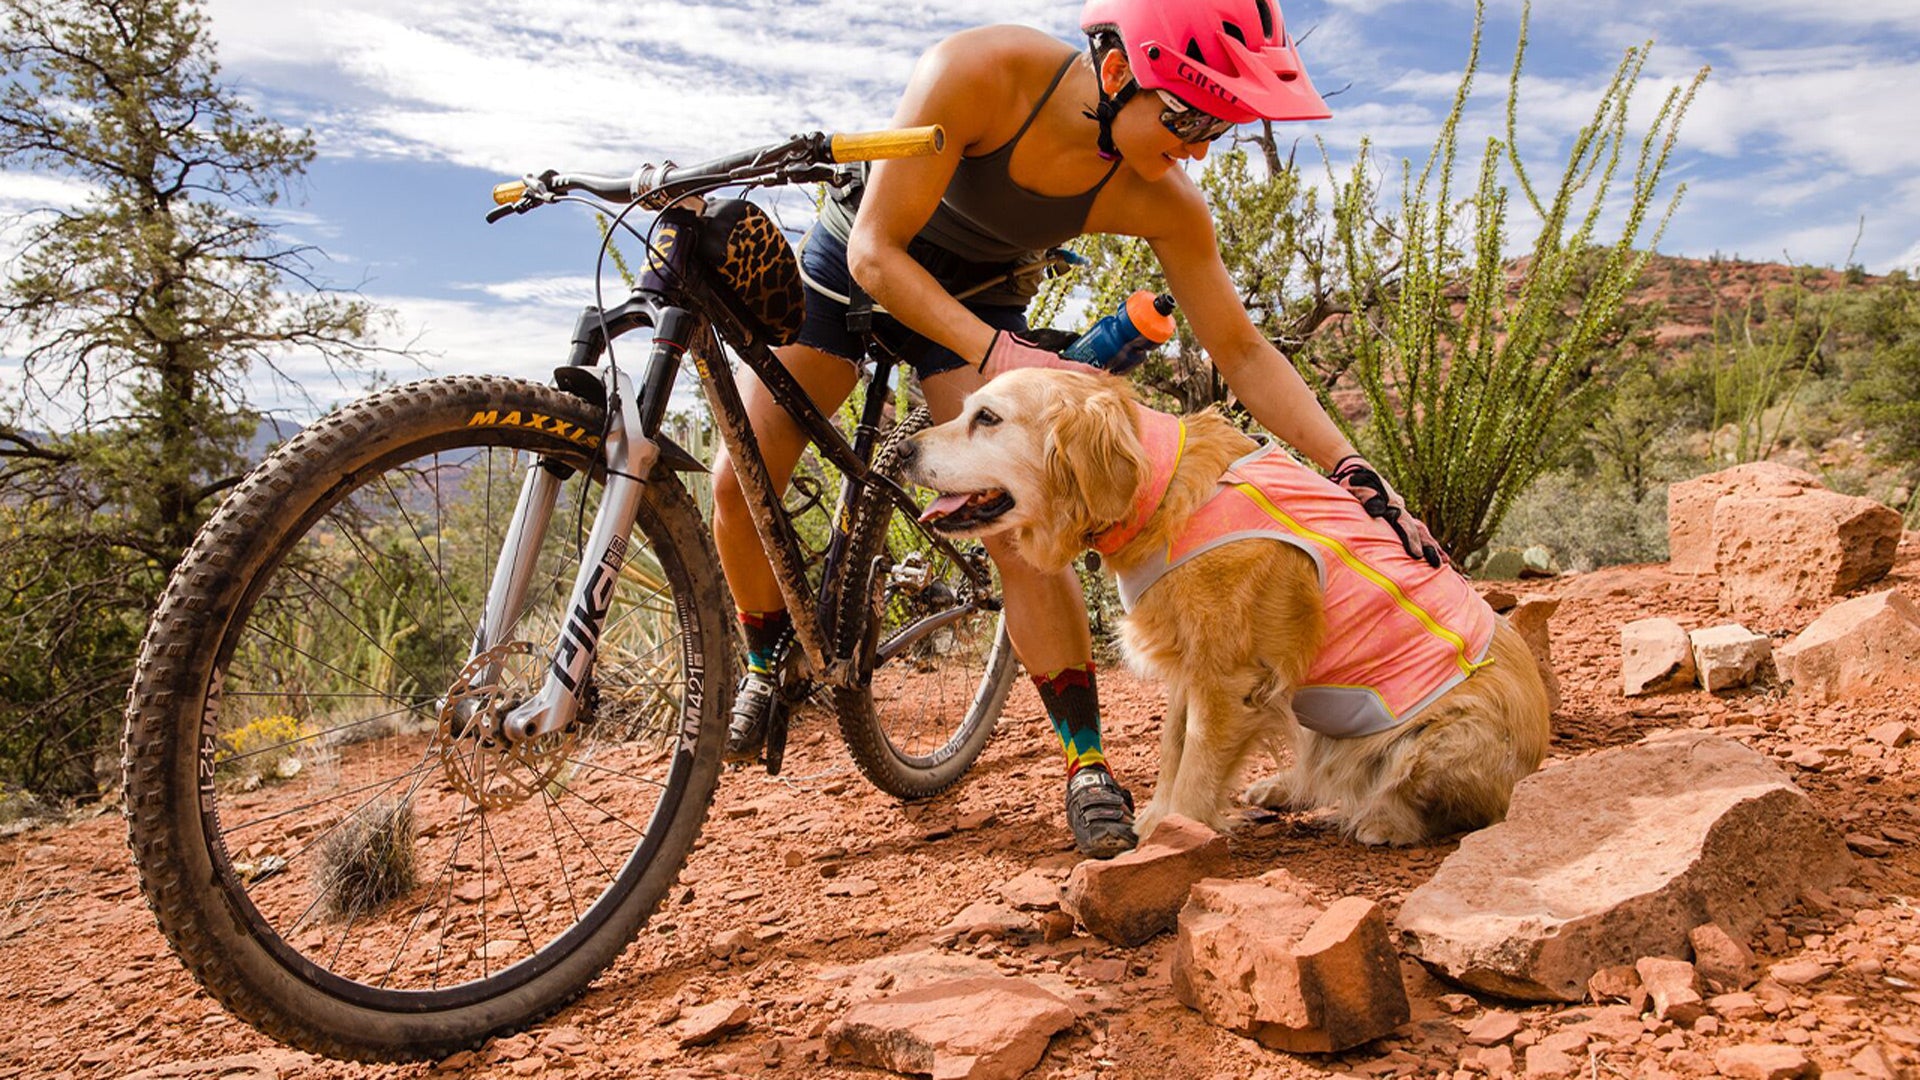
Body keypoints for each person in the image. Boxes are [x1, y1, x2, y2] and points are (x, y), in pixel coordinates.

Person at [709, 0, 1445, 858]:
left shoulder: (1164, 198)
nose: (1202, 147)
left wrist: (1350, 465)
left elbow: (1241, 349)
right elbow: (876, 252)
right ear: (1120, 71)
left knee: (1019, 527)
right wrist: (1001, 351)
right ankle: (765, 664)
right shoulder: (982, 71)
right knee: (738, 485)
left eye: (1220, 125)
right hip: (863, 263)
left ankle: (1086, 762)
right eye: (1191, 115)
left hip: (984, 296)